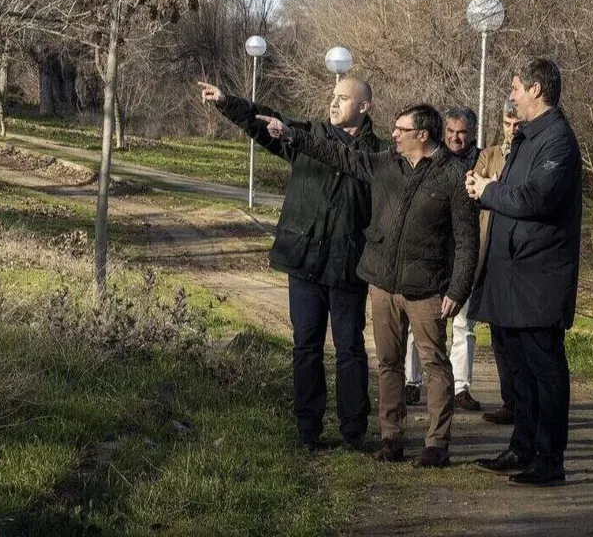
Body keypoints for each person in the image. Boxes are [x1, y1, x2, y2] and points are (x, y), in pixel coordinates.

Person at [257, 104, 478, 468]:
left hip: (426, 289)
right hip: (383, 286)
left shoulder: (454, 176)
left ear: (422, 135)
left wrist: (457, 291)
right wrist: (293, 135)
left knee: (435, 365)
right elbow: (337, 154)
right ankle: (391, 439)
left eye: (401, 130)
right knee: (389, 364)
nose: (393, 135)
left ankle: (437, 444)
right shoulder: (384, 163)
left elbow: (468, 242)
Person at [198, 77, 388, 451]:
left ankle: (354, 431)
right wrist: (226, 102)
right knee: (306, 347)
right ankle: (308, 429)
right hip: (303, 262)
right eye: (333, 97)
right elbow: (263, 121)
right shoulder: (306, 135)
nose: (334, 104)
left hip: (348, 266)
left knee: (349, 349)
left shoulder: (379, 155)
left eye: (343, 98)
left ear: (364, 107)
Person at [466, 58, 583, 488]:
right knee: (518, 368)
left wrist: (488, 190)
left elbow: (536, 198)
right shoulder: (528, 137)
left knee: (544, 369)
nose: (511, 95)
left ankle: (549, 460)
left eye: (516, 87)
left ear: (536, 89)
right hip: (512, 274)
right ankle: (522, 447)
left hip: (539, 278)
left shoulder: (558, 140)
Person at [404, 106, 484, 412]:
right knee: (419, 323)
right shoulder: (432, 159)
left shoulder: (481, 162)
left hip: (464, 253)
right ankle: (413, 382)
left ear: (471, 134)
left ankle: (461, 387)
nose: (455, 138)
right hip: (432, 254)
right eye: (450, 132)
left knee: (465, 324)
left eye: (461, 133)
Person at [472, 100, 522, 426]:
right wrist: (487, 185)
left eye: (516, 123)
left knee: (518, 336)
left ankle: (524, 402)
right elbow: (474, 187)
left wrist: (493, 186)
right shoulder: (489, 154)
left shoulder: (528, 156)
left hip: (517, 257)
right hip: (488, 254)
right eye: (507, 123)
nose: (512, 129)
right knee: (498, 336)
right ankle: (509, 401)